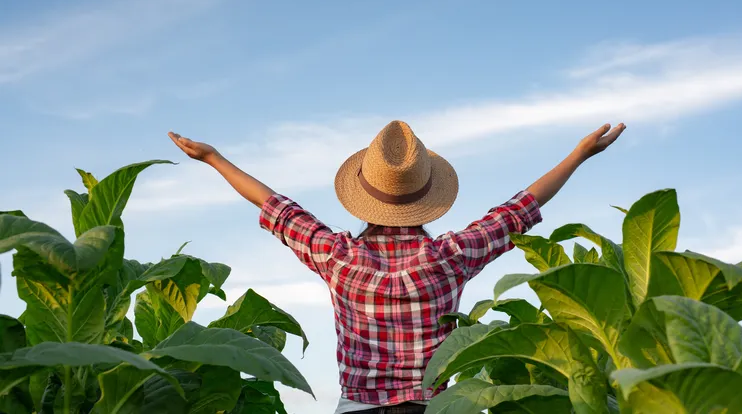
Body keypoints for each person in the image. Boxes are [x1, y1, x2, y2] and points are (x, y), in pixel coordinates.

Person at [168, 120, 625, 414]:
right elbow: (518, 209)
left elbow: (276, 206)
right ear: (426, 200)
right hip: (437, 407)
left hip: (358, 408)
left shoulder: (336, 255)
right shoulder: (451, 256)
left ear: (364, 197)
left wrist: (213, 159)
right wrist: (578, 155)